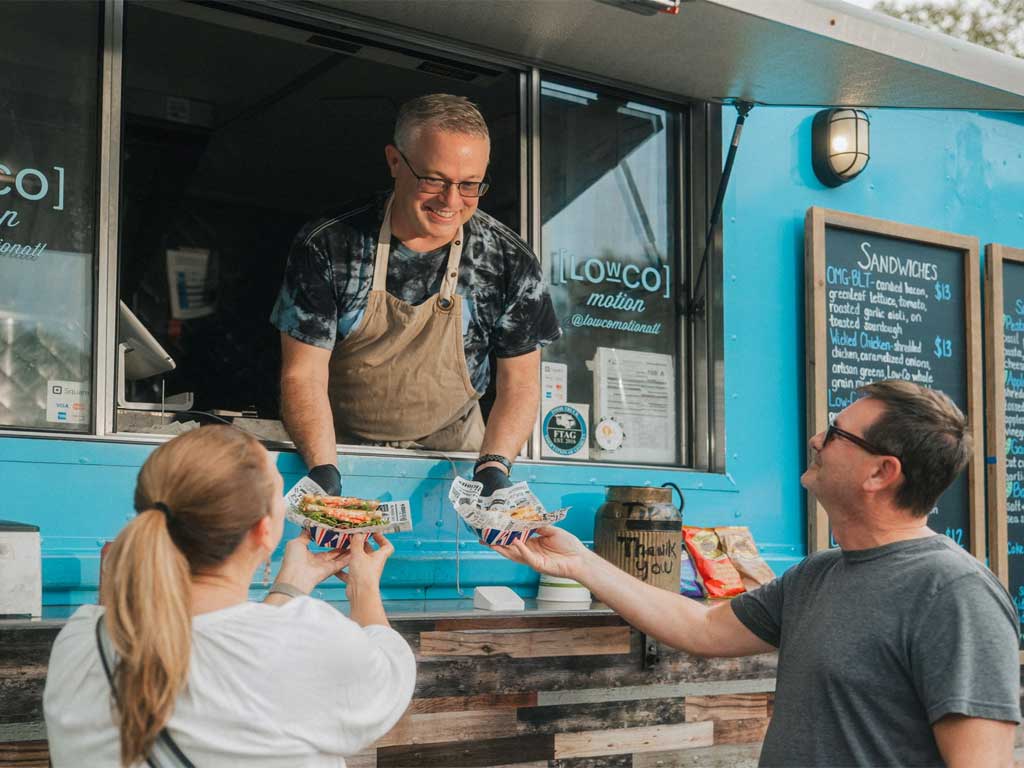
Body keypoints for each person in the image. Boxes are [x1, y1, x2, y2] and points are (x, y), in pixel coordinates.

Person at [492, 380, 1021, 767]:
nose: (817, 438)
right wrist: (578, 562)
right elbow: (702, 627)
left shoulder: (954, 594)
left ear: (881, 472)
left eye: (837, 433)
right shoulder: (819, 574)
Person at [43, 425, 415, 767]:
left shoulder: (81, 639)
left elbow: (225, 651)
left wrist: (289, 587)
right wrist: (364, 587)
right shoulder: (309, 640)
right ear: (263, 532)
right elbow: (392, 673)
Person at [271, 93, 560, 499]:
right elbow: (303, 373)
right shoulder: (330, 245)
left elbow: (521, 385)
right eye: (434, 180)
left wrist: (494, 467)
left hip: (454, 451)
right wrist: (324, 471)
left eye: (470, 185)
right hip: (337, 443)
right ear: (394, 161)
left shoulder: (509, 261)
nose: (452, 201)